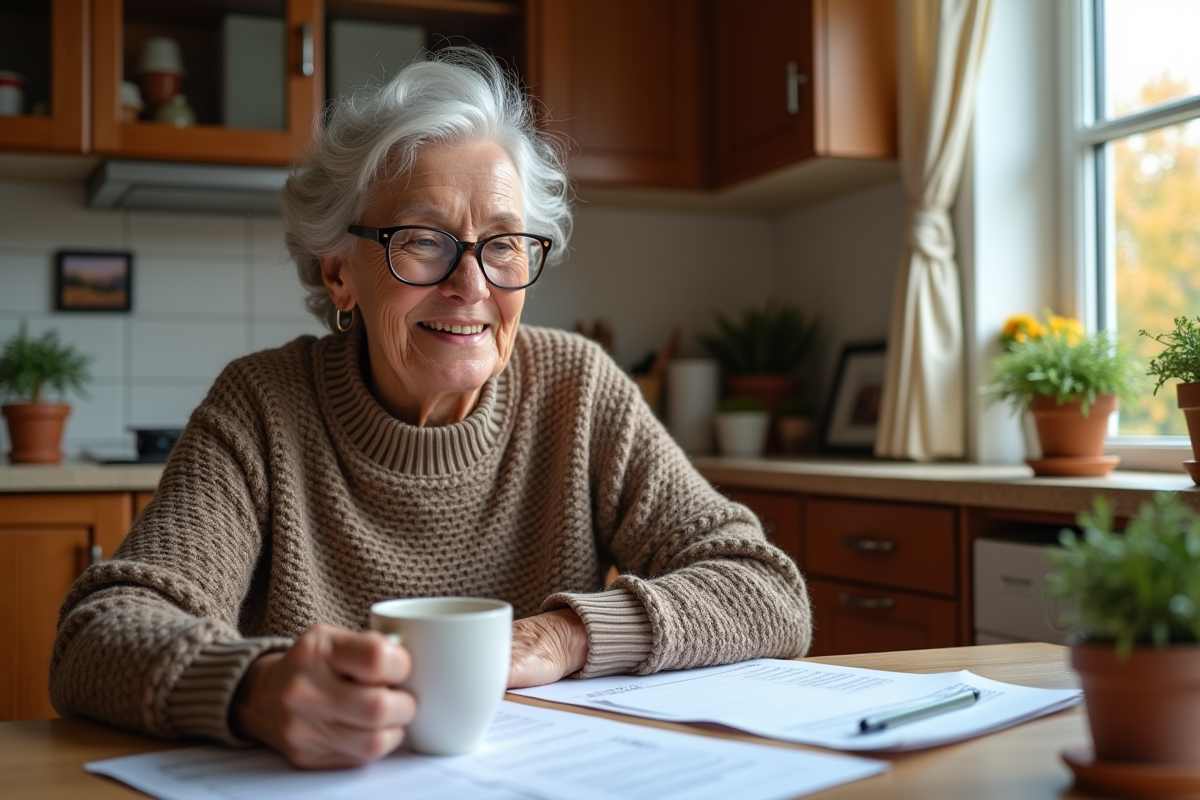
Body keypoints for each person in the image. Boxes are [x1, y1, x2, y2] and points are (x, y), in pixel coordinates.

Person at [50, 49, 811, 769]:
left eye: (504, 243)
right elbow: (97, 636)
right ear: (340, 273)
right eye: (423, 240)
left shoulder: (576, 388)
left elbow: (765, 589)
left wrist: (567, 634)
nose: (472, 284)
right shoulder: (264, 405)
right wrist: (254, 688)